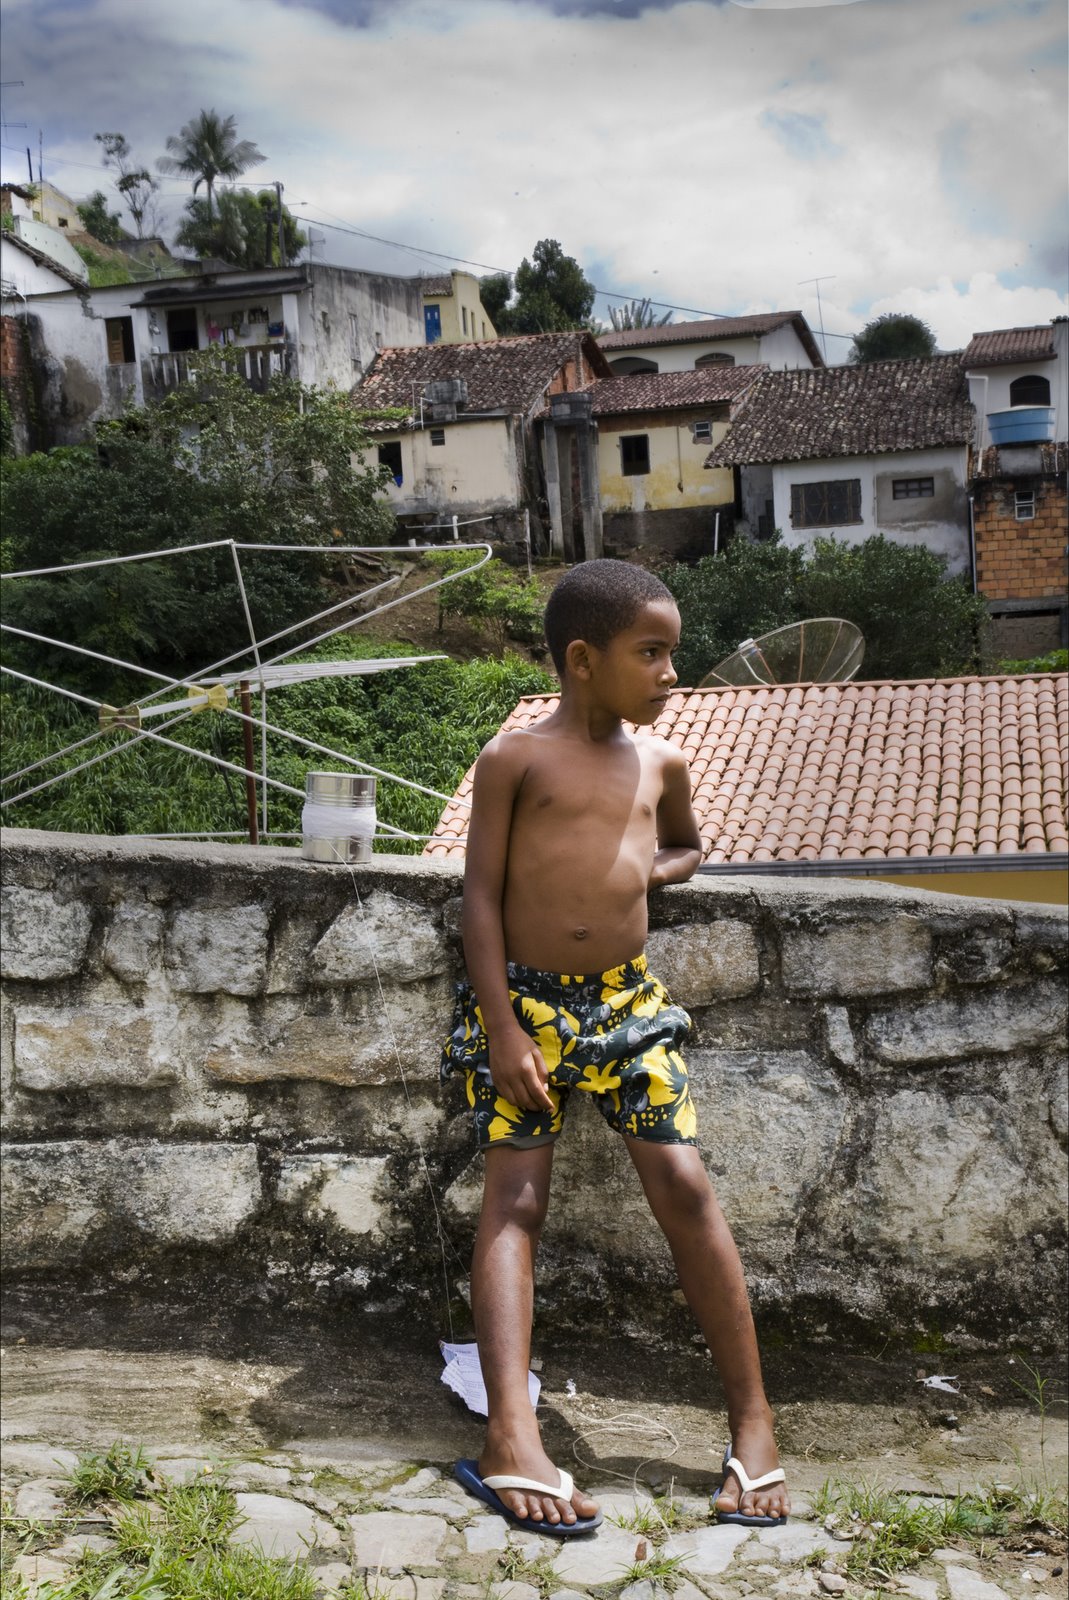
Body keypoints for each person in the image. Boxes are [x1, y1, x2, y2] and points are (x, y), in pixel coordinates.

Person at [441, 559, 789, 1538]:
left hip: (632, 1009)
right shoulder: (515, 760)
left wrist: (644, 869)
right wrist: (503, 1026)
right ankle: (511, 1433)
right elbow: (477, 896)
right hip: (531, 1010)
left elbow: (686, 845)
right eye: (652, 653)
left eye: (672, 651)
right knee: (516, 1200)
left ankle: (754, 1423)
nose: (671, 672)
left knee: (685, 1188)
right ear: (584, 660)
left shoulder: (660, 763)